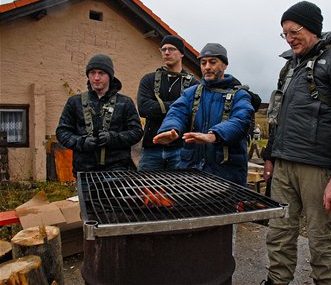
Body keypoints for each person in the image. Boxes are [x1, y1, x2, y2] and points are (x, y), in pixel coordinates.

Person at [263, 1, 331, 284]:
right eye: (285, 34)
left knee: (320, 235)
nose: (290, 38)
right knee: (279, 230)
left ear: (313, 29)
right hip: (284, 163)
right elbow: (278, 115)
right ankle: (277, 280)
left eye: (294, 31)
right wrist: (271, 155)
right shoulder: (290, 67)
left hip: (318, 167)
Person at [153, 43, 254, 186]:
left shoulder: (240, 95)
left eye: (212, 62)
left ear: (224, 65)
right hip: (192, 173)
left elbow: (241, 121)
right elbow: (177, 112)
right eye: (203, 62)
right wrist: (171, 129)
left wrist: (213, 135)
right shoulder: (191, 93)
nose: (207, 67)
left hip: (227, 174)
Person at [56, 54, 143, 177]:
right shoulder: (75, 102)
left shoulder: (125, 102)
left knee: (114, 197)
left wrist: (113, 138)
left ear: (110, 76)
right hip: (84, 169)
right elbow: (62, 132)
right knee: (86, 197)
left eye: (101, 73)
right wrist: (81, 142)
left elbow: (136, 132)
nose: (96, 77)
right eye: (92, 73)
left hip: (117, 169)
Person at [137, 35, 198, 170]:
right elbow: (144, 109)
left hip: (180, 148)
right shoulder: (149, 79)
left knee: (180, 190)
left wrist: (158, 107)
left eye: (171, 49)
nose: (166, 53)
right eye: (163, 49)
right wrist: (179, 107)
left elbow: (193, 114)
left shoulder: (194, 84)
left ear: (182, 53)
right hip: (152, 148)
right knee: (145, 188)